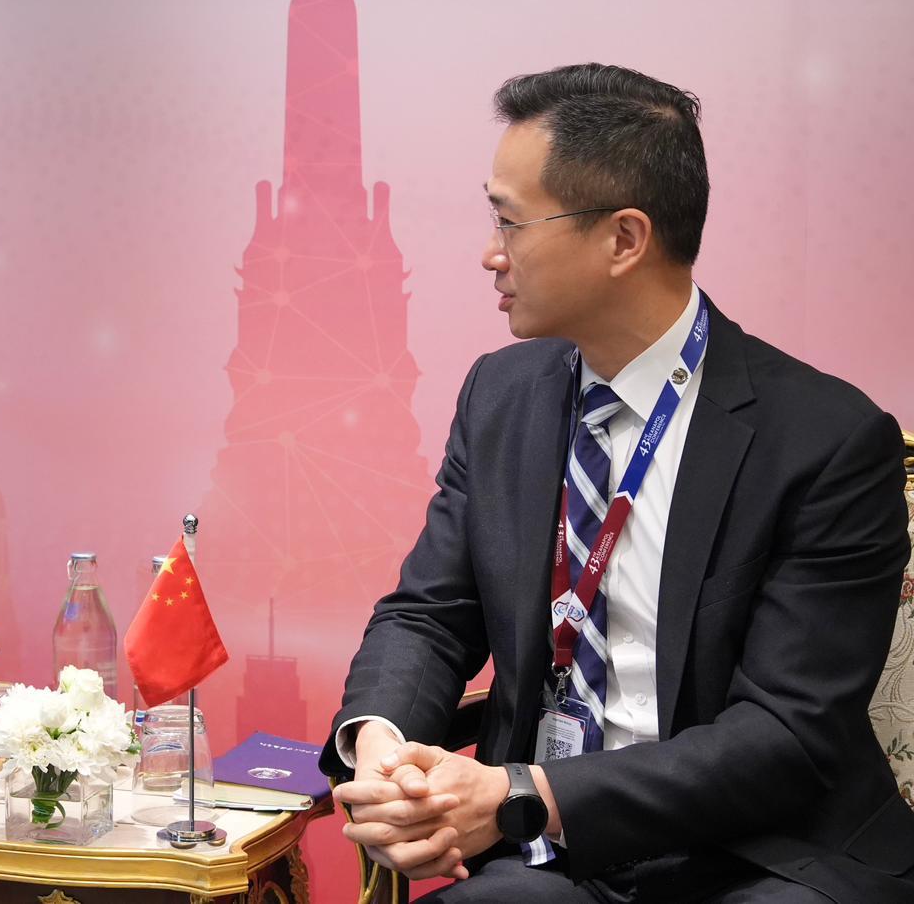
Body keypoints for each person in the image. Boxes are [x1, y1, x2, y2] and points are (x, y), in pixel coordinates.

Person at [323, 65, 914, 902]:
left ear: (624, 240)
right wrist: (382, 749)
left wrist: (528, 796)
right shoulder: (501, 395)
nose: (490, 254)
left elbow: (788, 734)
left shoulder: (827, 440)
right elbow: (429, 612)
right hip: (553, 862)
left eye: (510, 222)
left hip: (762, 854)